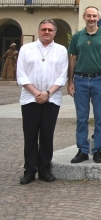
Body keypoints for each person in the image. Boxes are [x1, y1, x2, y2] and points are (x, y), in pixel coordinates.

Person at [16, 20, 68, 184]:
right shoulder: (26, 49)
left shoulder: (61, 50)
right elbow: (21, 74)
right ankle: (29, 170)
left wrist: (47, 93)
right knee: (30, 135)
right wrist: (36, 93)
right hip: (30, 98)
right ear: (39, 31)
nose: (47, 32)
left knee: (47, 134)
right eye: (44, 29)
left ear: (54, 32)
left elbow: (63, 75)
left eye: (50, 30)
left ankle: (44, 169)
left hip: (52, 98)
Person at [68, 6, 101, 164]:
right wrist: (70, 81)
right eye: (89, 16)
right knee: (82, 118)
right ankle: (82, 150)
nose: (91, 18)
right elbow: (73, 59)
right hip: (80, 80)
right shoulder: (77, 37)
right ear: (84, 17)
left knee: (100, 118)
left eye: (94, 16)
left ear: (98, 17)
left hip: (99, 79)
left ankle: (98, 150)